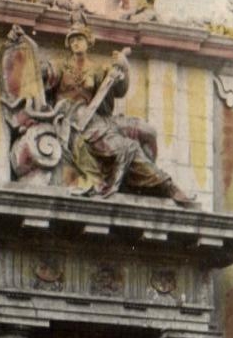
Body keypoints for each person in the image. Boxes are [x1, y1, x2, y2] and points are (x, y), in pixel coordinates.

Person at [43, 18, 195, 206]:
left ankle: (165, 184)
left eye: (79, 39)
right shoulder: (60, 66)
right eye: (72, 40)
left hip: (93, 121)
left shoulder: (97, 70)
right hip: (71, 122)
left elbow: (118, 91)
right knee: (127, 147)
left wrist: (124, 67)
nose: (75, 43)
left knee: (139, 138)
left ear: (88, 41)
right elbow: (41, 78)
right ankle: (166, 186)